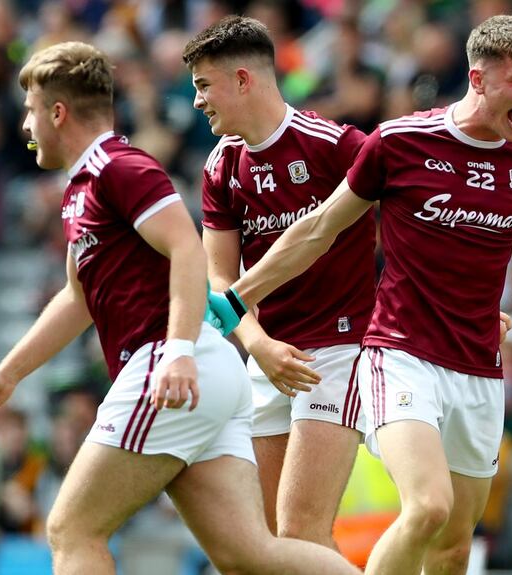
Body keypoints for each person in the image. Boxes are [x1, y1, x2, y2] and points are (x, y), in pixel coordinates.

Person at [0, 41, 358, 575]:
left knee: (72, 528)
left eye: (31, 112)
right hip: (203, 370)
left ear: (57, 113)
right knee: (250, 554)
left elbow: (188, 249)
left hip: (171, 367)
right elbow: (78, 299)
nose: (26, 127)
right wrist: (9, 374)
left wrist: (177, 351)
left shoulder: (118, 167)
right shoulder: (80, 186)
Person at [209, 15, 512, 575]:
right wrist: (240, 297)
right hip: (400, 357)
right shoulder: (400, 141)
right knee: (427, 507)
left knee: (455, 546)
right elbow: (320, 228)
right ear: (478, 79)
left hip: (479, 368)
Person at [182, 15, 373, 548]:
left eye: (203, 85)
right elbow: (219, 275)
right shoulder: (222, 165)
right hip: (269, 357)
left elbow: (409, 225)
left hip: (338, 352)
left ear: (243, 80)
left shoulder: (335, 145)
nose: (197, 101)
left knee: (300, 532)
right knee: (274, 542)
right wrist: (259, 344)